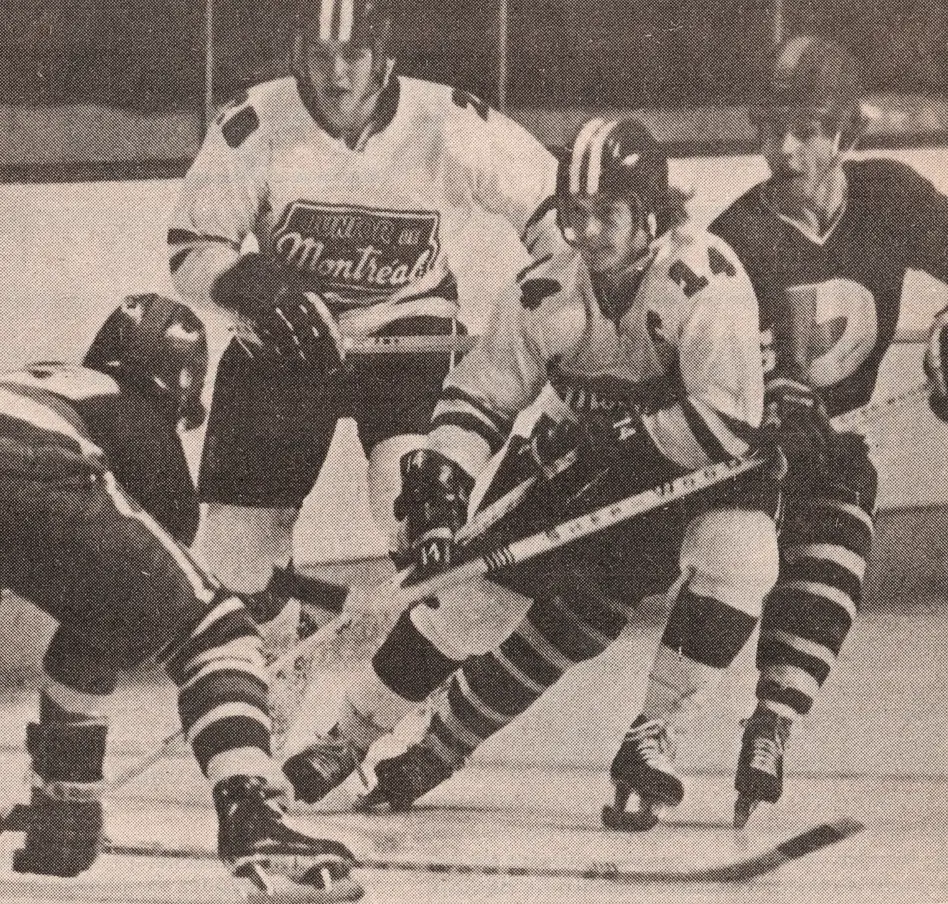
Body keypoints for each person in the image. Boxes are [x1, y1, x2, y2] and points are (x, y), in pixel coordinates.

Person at [282, 117, 793, 829]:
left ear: (652, 211)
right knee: (465, 598)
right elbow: (482, 396)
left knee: (742, 558)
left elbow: (725, 421)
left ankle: (655, 735)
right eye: (573, 213)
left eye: (607, 212)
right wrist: (444, 481)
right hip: (582, 457)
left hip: (702, 471)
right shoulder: (545, 290)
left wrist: (624, 440)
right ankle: (349, 737)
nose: (586, 232)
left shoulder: (706, 278)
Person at [166, 0, 559, 633]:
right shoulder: (253, 122)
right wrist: (246, 283)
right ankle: (251, 698)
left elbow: (555, 212)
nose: (336, 76)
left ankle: (383, 703)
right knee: (237, 556)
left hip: (407, 340)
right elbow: (191, 248)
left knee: (421, 528)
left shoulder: (448, 121)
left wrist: (559, 308)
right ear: (298, 53)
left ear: (385, 56)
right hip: (287, 347)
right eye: (320, 57)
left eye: (353, 56)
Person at [0, 294, 361, 900]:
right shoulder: (127, 403)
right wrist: (255, 595)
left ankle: (62, 810)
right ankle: (255, 818)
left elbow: (104, 614)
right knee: (218, 628)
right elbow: (171, 541)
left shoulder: (43, 380)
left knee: (106, 620)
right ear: (180, 377)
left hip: (25, 460)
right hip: (37, 471)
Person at [706, 33, 948, 827]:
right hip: (737, 454)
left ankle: (772, 723)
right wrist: (761, 407)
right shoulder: (731, 238)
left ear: (850, 134)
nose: (785, 149)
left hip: (832, 449)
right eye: (773, 128)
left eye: (808, 129)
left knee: (837, 539)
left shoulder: (892, 198)